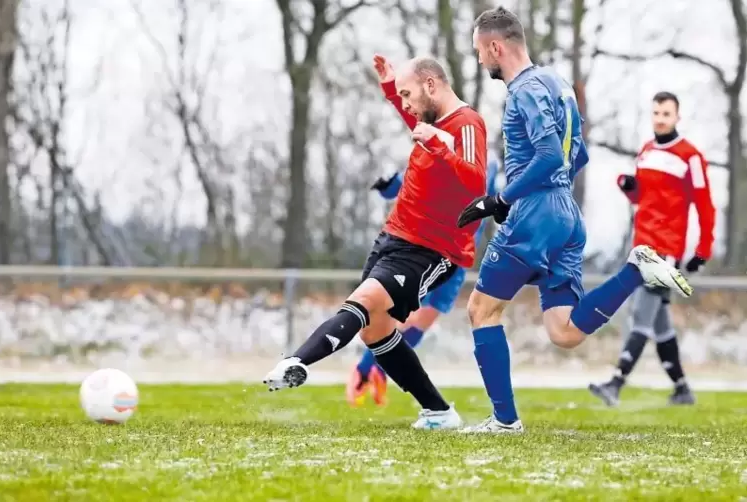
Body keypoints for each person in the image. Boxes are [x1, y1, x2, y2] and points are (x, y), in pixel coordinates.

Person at [456, 6, 694, 434]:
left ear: (496, 46)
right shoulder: (558, 83)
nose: (478, 59)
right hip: (566, 213)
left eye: (479, 51)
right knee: (564, 332)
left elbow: (547, 155)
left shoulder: (523, 89)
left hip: (536, 215)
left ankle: (505, 421)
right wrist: (545, 194)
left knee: (481, 309)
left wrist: (501, 199)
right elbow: (575, 154)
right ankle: (635, 271)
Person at [264, 55, 488, 430]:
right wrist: (388, 87)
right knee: (374, 329)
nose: (406, 104)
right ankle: (438, 412)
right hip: (393, 237)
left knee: (364, 302)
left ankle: (297, 361)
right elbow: (417, 126)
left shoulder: (467, 123)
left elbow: (476, 185)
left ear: (431, 85)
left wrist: (440, 147)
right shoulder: (430, 122)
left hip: (431, 248)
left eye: (407, 94)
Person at [588, 91, 715, 407]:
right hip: (641, 245)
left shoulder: (691, 157)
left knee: (641, 315)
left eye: (666, 114)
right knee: (659, 325)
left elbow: (705, 206)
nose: (660, 119)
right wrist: (630, 189)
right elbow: (643, 198)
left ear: (677, 117)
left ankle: (616, 383)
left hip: (665, 250)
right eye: (656, 113)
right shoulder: (645, 151)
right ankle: (683, 389)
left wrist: (703, 250)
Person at [347, 158, 499, 407]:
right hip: (431, 245)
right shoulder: (445, 153)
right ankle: (367, 369)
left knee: (424, 318)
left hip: (462, 253)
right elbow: (413, 179)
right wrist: (389, 184)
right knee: (406, 316)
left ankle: (376, 369)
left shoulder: (491, 164)